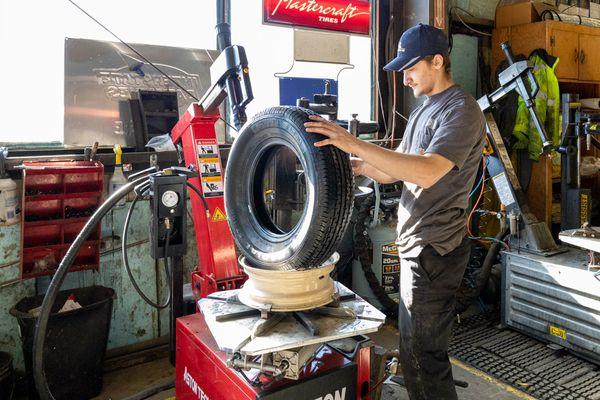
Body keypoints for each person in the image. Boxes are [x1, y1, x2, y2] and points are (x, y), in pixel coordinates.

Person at [304, 23, 485, 400]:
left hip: (436, 249)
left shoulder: (461, 111)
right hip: (416, 245)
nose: (404, 79)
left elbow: (428, 170)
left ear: (437, 61)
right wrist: (354, 163)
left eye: (410, 68)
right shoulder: (423, 111)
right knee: (414, 349)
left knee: (424, 356)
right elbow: (396, 170)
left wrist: (353, 140)